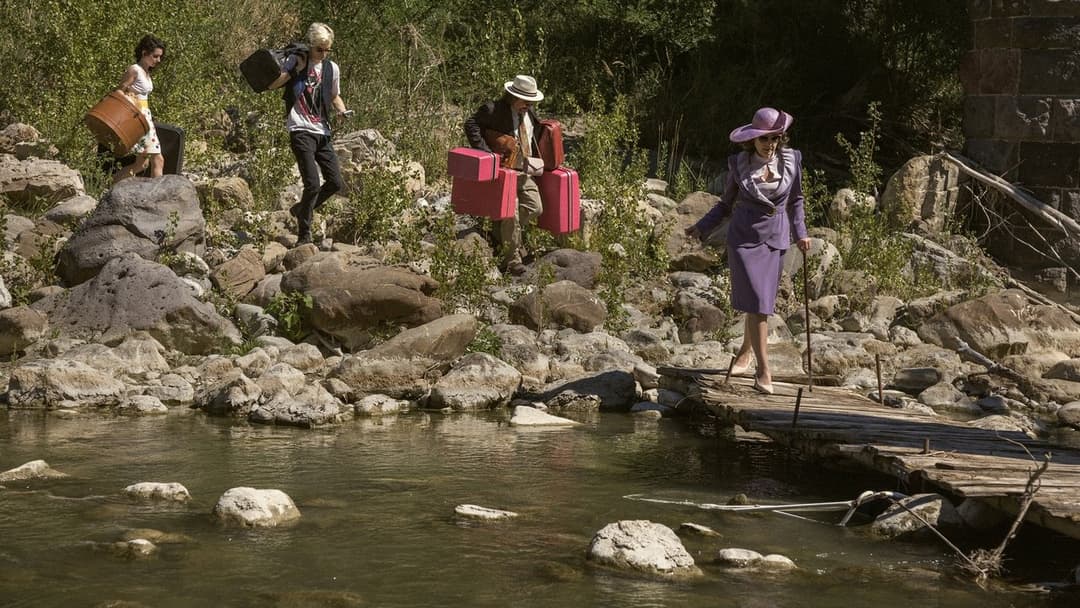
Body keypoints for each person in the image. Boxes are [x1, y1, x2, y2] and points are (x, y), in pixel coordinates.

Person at [686, 107, 812, 395]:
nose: (770, 145)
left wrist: (801, 234)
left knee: (760, 304)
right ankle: (764, 371)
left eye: (775, 139)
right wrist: (702, 227)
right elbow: (725, 204)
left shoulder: (791, 160)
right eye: (765, 140)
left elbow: (796, 201)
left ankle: (745, 352)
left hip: (776, 239)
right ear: (753, 140)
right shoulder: (739, 164)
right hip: (743, 239)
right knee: (758, 305)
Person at [268, 22, 350, 245]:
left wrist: (341, 111)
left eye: (327, 50)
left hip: (322, 131)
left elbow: (334, 96)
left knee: (334, 182)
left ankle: (301, 210)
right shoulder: (297, 61)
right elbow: (273, 84)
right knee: (312, 183)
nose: (323, 54)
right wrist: (294, 69)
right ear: (311, 45)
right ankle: (304, 236)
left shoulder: (332, 68)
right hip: (300, 129)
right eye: (319, 49)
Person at [463, 75, 546, 275]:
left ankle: (498, 234)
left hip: (523, 171)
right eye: (525, 100)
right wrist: (487, 153)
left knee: (535, 208)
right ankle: (512, 259)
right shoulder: (493, 110)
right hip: (502, 171)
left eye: (531, 101)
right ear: (512, 96)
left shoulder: (529, 113)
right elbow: (471, 124)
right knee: (511, 213)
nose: (529, 104)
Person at [113, 35, 165, 183]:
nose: (158, 60)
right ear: (144, 53)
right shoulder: (134, 70)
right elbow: (118, 92)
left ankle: (113, 182)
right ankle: (158, 194)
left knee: (142, 163)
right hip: (137, 118)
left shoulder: (146, 72)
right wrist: (131, 102)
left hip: (145, 118)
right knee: (158, 159)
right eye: (155, 56)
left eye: (159, 57)